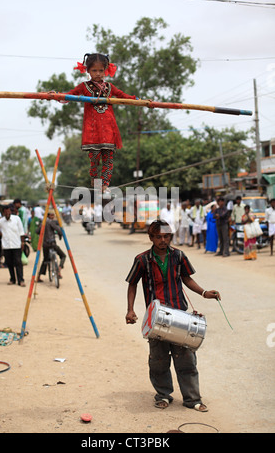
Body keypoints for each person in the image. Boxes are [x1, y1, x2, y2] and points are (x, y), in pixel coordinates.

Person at [125, 220, 221, 412]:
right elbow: (133, 284)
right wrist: (130, 309)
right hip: (156, 318)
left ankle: (192, 399)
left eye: (166, 236)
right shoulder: (142, 259)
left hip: (179, 316)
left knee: (186, 357)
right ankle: (163, 395)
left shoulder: (178, 256)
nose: (163, 240)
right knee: (158, 360)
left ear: (171, 237)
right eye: (158, 237)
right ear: (151, 238)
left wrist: (204, 293)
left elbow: (186, 278)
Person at [57, 53, 136, 192]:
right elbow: (68, 96)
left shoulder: (110, 88)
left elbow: (124, 96)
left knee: (108, 158)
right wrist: (55, 96)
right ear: (88, 70)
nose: (98, 74)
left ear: (105, 70)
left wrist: (138, 100)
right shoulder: (83, 87)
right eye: (94, 70)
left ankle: (105, 184)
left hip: (108, 129)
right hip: (92, 130)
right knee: (94, 158)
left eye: (101, 70)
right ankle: (95, 181)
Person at [0, 205, 26, 287]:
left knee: (18, 262)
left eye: (9, 211)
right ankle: (12, 279)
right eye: (6, 212)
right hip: (7, 245)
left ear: (10, 212)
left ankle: (21, 280)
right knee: (9, 263)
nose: (7, 213)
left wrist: (22, 242)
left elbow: (21, 231)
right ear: (3, 213)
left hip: (16, 244)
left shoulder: (16, 219)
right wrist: (2, 235)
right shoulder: (1, 221)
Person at [37, 210, 66, 281]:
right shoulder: (51, 222)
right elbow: (59, 230)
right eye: (51, 215)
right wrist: (60, 236)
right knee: (63, 256)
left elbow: (37, 231)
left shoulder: (42, 223)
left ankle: (39, 276)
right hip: (52, 244)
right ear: (48, 216)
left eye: (53, 215)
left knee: (45, 260)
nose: (52, 217)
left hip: (45, 245)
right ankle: (59, 269)